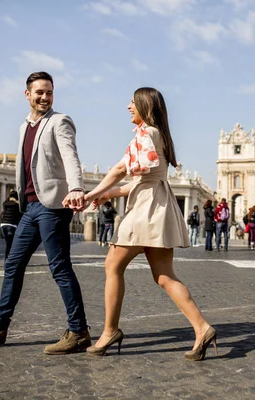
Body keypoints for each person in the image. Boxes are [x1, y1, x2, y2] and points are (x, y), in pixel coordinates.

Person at [0, 71, 90, 355]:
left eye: (50, 92)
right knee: (13, 264)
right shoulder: (24, 127)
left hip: (53, 206)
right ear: (27, 94)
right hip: (30, 207)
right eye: (40, 92)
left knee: (60, 268)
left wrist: (77, 187)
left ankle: (79, 330)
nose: (45, 97)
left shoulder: (60, 121)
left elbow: (70, 156)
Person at [82, 87, 215, 361]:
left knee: (112, 265)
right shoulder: (159, 135)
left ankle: (109, 332)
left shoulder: (147, 133)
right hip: (159, 205)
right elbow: (140, 180)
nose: (128, 106)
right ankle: (202, 328)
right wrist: (108, 193)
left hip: (145, 209)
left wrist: (92, 193)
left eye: (133, 102)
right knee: (164, 275)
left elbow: (120, 170)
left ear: (146, 105)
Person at [0, 190, 22, 259]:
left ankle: (8, 259)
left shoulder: (5, 203)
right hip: (11, 225)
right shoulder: (16, 205)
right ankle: (9, 260)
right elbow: (20, 215)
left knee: (8, 243)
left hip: (3, 225)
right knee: (11, 244)